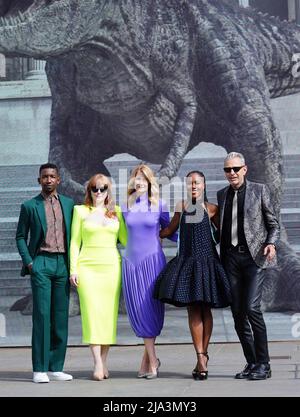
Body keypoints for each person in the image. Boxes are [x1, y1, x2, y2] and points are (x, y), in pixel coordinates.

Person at [154, 170, 232, 380]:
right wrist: (147, 231)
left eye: (197, 183)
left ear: (204, 185)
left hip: (208, 264)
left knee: (206, 310)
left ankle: (202, 357)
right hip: (187, 264)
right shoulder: (182, 206)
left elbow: (226, 235)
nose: (193, 186)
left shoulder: (212, 209)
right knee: (193, 311)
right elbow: (169, 230)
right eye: (190, 183)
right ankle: (201, 357)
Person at [217, 152, 280, 380]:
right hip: (230, 260)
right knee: (237, 314)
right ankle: (252, 363)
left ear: (245, 169)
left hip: (254, 258)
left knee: (252, 308)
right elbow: (222, 230)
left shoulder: (259, 190)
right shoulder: (222, 195)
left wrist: (271, 243)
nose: (231, 173)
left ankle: (264, 363)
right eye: (227, 170)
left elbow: (273, 224)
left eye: (235, 169)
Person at [16, 163, 74, 383]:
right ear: (39, 180)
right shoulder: (30, 206)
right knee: (42, 316)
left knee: (60, 318)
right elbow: (20, 236)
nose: (48, 180)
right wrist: (30, 263)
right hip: (41, 263)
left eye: (52, 176)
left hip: (63, 265)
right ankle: (39, 368)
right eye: (44, 177)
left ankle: (56, 367)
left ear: (58, 180)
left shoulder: (69, 205)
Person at [69, 174, 127, 380]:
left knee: (107, 316)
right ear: (89, 191)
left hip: (111, 268)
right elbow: (75, 243)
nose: (99, 192)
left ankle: (104, 362)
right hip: (87, 268)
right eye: (95, 188)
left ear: (108, 190)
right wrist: (73, 270)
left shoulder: (116, 212)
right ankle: (98, 363)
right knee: (92, 315)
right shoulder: (80, 211)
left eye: (103, 188)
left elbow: (126, 241)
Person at [121, 164, 176, 379]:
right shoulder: (125, 205)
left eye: (144, 178)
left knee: (150, 310)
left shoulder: (159, 205)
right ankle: (149, 360)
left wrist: (194, 236)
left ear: (150, 182)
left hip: (153, 263)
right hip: (131, 264)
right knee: (138, 311)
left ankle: (152, 362)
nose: (139, 181)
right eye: (136, 177)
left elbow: (170, 231)